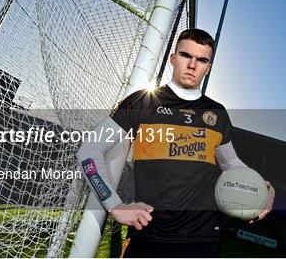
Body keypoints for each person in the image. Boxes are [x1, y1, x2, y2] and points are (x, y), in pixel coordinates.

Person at [77, 29, 275, 257]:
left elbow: (232, 165)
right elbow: (89, 150)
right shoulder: (142, 102)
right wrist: (115, 205)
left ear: (208, 68)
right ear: (173, 58)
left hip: (202, 239)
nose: (192, 65)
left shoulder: (217, 114)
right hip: (148, 233)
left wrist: (265, 188)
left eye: (201, 60)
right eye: (185, 55)